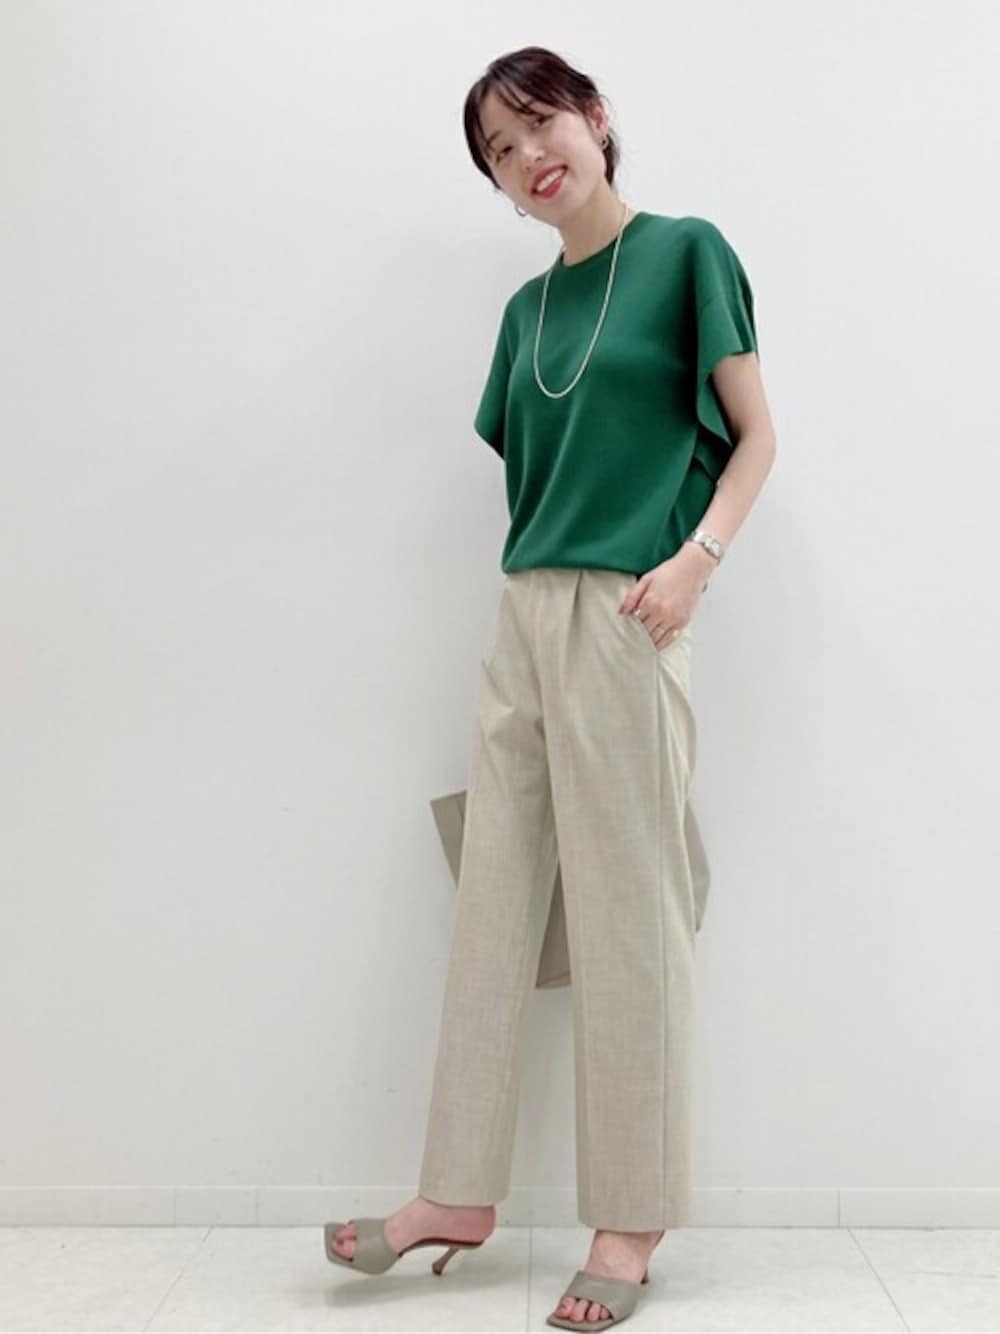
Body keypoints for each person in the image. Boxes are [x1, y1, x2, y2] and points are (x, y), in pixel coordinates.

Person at [325, 44, 777, 1332]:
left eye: (540, 121)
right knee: (495, 900)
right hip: (523, 611)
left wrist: (693, 564)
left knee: (630, 916)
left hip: (630, 606)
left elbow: (757, 436)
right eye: (500, 150)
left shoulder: (687, 255)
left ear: (593, 115)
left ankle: (630, 1220)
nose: (529, 155)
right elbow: (528, 478)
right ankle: (457, 1192)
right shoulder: (524, 315)